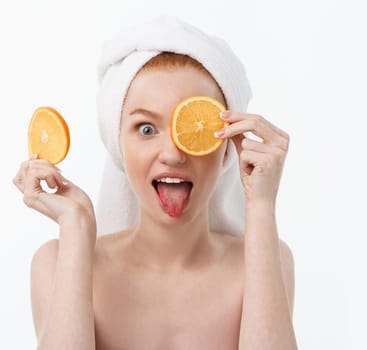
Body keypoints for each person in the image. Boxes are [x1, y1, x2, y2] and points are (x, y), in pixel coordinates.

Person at [12, 16, 297, 349]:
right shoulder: (57, 262)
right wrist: (76, 227)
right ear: (119, 145)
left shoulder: (266, 259)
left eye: (195, 128)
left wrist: (261, 205)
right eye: (146, 129)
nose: (173, 154)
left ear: (225, 151)